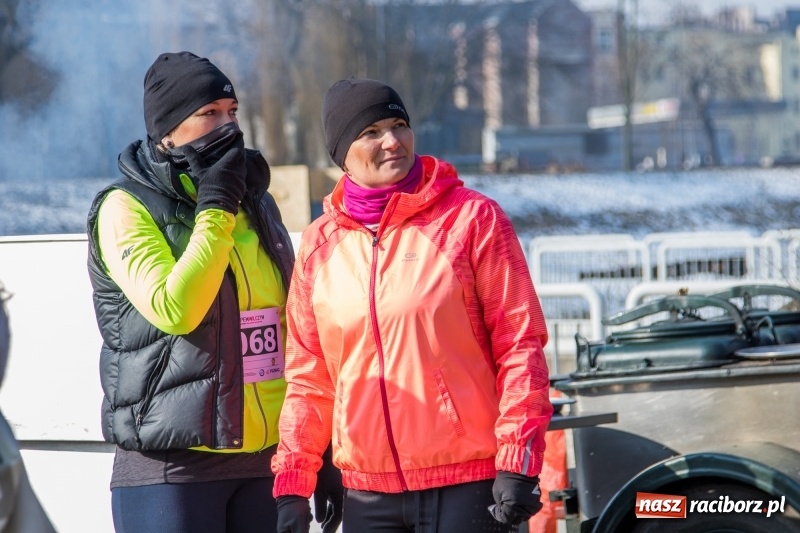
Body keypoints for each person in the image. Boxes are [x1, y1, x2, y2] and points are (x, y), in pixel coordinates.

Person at [272, 77, 553, 532]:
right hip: (367, 493)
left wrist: (518, 459)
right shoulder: (319, 244)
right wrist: (296, 478)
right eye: (371, 132)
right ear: (342, 151)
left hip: (468, 482)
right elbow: (310, 377)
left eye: (399, 124)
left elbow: (520, 345)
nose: (392, 141)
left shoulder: (471, 219)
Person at [86, 51, 342, 533]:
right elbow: (176, 309)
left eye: (232, 111)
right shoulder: (126, 207)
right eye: (209, 114)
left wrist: (319, 449)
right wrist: (216, 207)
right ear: (168, 130)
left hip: (266, 461)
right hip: (173, 468)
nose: (228, 126)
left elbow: (295, 329)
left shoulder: (255, 201)